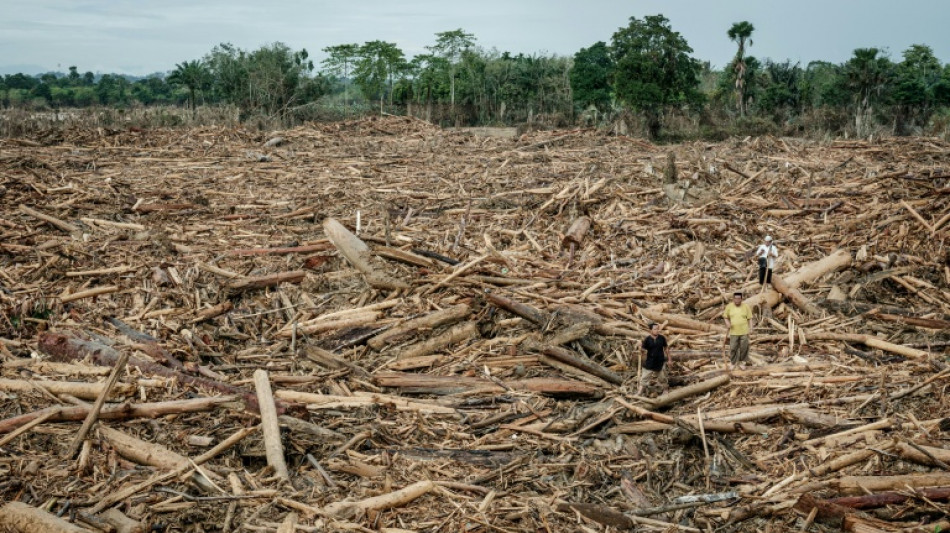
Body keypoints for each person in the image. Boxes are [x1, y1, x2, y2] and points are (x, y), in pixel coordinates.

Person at [637, 323, 670, 395]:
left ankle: (665, 389)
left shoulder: (662, 338)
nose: (657, 330)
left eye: (658, 329)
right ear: (650, 330)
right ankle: (640, 391)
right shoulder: (647, 339)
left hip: (660, 361)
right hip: (650, 361)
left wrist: (669, 359)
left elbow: (666, 348)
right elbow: (643, 351)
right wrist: (640, 346)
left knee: (662, 377)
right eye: (655, 329)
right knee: (644, 377)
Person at [722, 292, 754, 365]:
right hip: (733, 332)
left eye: (739, 298)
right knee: (733, 348)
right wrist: (727, 323)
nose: (737, 300)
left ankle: (743, 362)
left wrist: (751, 328)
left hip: (744, 331)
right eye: (735, 298)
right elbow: (725, 316)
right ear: (733, 299)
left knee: (744, 348)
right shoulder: (729, 306)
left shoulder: (746, 306)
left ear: (741, 299)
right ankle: (733, 363)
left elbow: (750, 318)